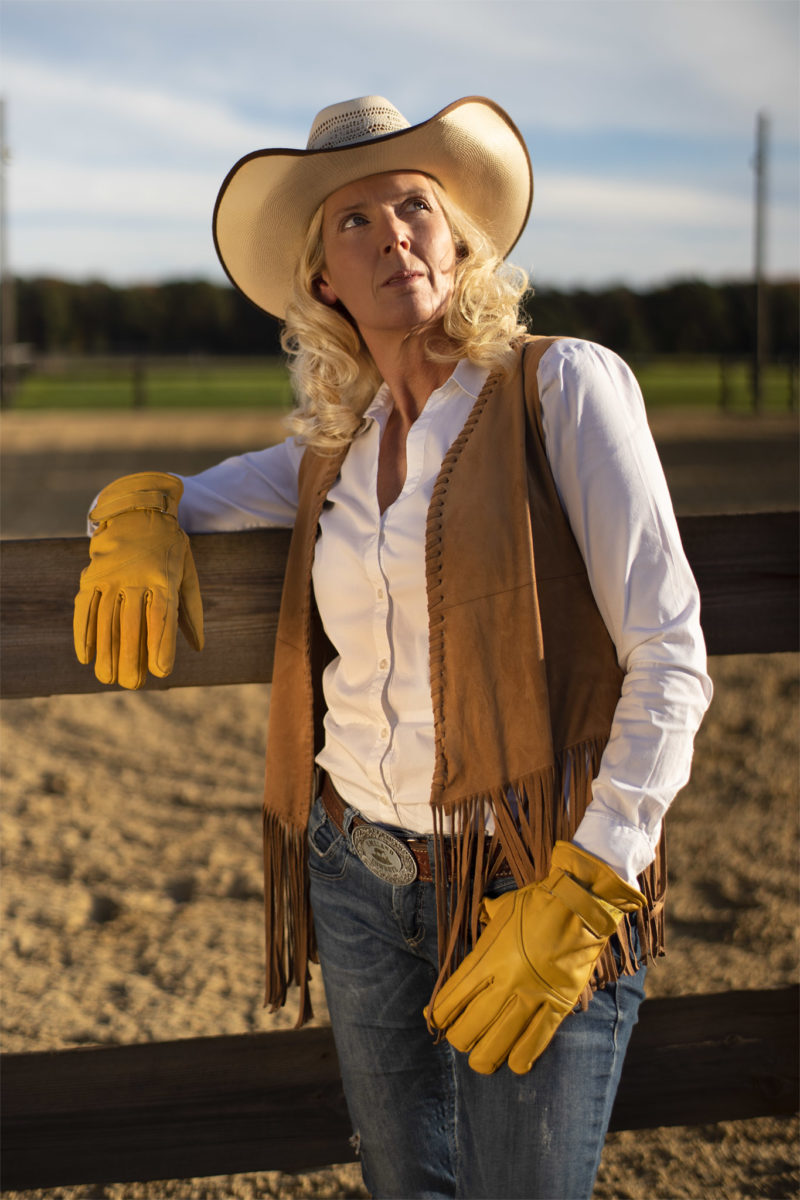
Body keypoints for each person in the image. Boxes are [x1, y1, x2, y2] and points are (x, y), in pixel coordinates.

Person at [73, 95, 713, 1199]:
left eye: (414, 204)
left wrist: (589, 883)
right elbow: (187, 501)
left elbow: (670, 656)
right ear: (324, 279)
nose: (392, 234)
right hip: (357, 881)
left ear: (459, 239)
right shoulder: (338, 444)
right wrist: (129, 514)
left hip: (530, 882)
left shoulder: (557, 387)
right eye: (353, 223)